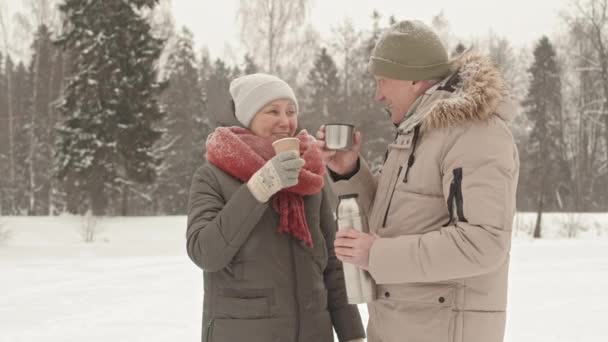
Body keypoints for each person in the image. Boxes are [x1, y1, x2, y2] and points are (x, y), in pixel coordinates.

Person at [316, 20, 520, 342]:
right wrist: (350, 171)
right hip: (400, 327)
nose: (377, 95)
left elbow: (482, 243)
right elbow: (394, 224)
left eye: (382, 81)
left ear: (414, 79)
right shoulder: (418, 133)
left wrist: (376, 255)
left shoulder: (475, 133)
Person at [186, 73, 365, 342]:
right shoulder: (212, 176)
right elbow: (205, 252)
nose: (286, 121)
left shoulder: (309, 177)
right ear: (247, 116)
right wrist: (260, 187)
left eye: (291, 111)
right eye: (273, 111)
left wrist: (351, 333)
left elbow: (332, 265)